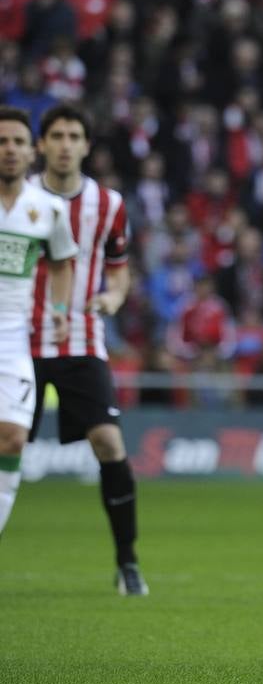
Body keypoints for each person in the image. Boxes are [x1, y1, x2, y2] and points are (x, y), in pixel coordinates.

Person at [29, 104, 147, 595]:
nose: (63, 144)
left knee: (110, 444)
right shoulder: (15, 198)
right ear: (41, 145)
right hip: (15, 342)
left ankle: (127, 562)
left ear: (85, 145)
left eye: (73, 135)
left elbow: (118, 267)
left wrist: (113, 297)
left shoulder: (109, 204)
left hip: (82, 341)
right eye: (55, 135)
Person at [0, 106, 75, 542]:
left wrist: (61, 313)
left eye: (17, 142)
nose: (9, 150)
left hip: (12, 340)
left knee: (12, 439)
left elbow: (63, 263)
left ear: (33, 152)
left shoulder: (47, 210)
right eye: (2, 142)